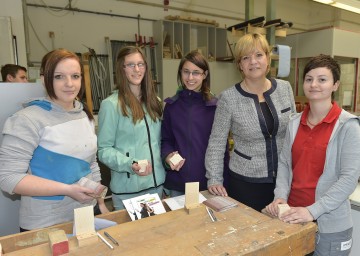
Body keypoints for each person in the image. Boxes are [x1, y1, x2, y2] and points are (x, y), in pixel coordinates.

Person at [0, 49, 109, 232]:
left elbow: (91, 164)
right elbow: (8, 178)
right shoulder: (27, 119)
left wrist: (100, 203)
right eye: (59, 76)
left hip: (83, 217)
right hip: (44, 223)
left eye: (75, 76)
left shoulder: (84, 115)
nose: (69, 84)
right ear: (44, 79)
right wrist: (67, 189)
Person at [266, 55, 360, 255]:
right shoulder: (294, 122)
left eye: (322, 79)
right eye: (309, 79)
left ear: (335, 85)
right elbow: (284, 163)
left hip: (329, 227)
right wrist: (281, 197)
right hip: (292, 217)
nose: (314, 84)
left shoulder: (348, 126)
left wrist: (311, 211)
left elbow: (349, 179)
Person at [205, 32, 296, 212]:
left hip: (284, 182)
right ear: (240, 65)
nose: (253, 62)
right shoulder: (229, 98)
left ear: (268, 59)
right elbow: (216, 142)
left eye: (259, 55)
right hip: (246, 183)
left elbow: (295, 131)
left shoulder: (285, 89)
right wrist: (214, 178)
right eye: (246, 57)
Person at [97, 46, 165, 210]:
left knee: (157, 234)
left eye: (141, 64)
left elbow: (159, 141)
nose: (137, 69)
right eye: (131, 65)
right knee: (133, 236)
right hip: (130, 191)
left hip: (157, 186)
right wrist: (130, 164)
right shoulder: (111, 105)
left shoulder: (154, 101)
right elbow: (104, 150)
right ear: (122, 69)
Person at [161, 50, 228, 197]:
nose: (190, 77)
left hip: (208, 185)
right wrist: (167, 156)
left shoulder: (215, 107)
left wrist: (223, 180)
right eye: (186, 72)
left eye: (196, 72)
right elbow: (166, 140)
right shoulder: (172, 106)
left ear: (204, 75)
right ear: (180, 73)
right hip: (178, 184)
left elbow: (222, 149)